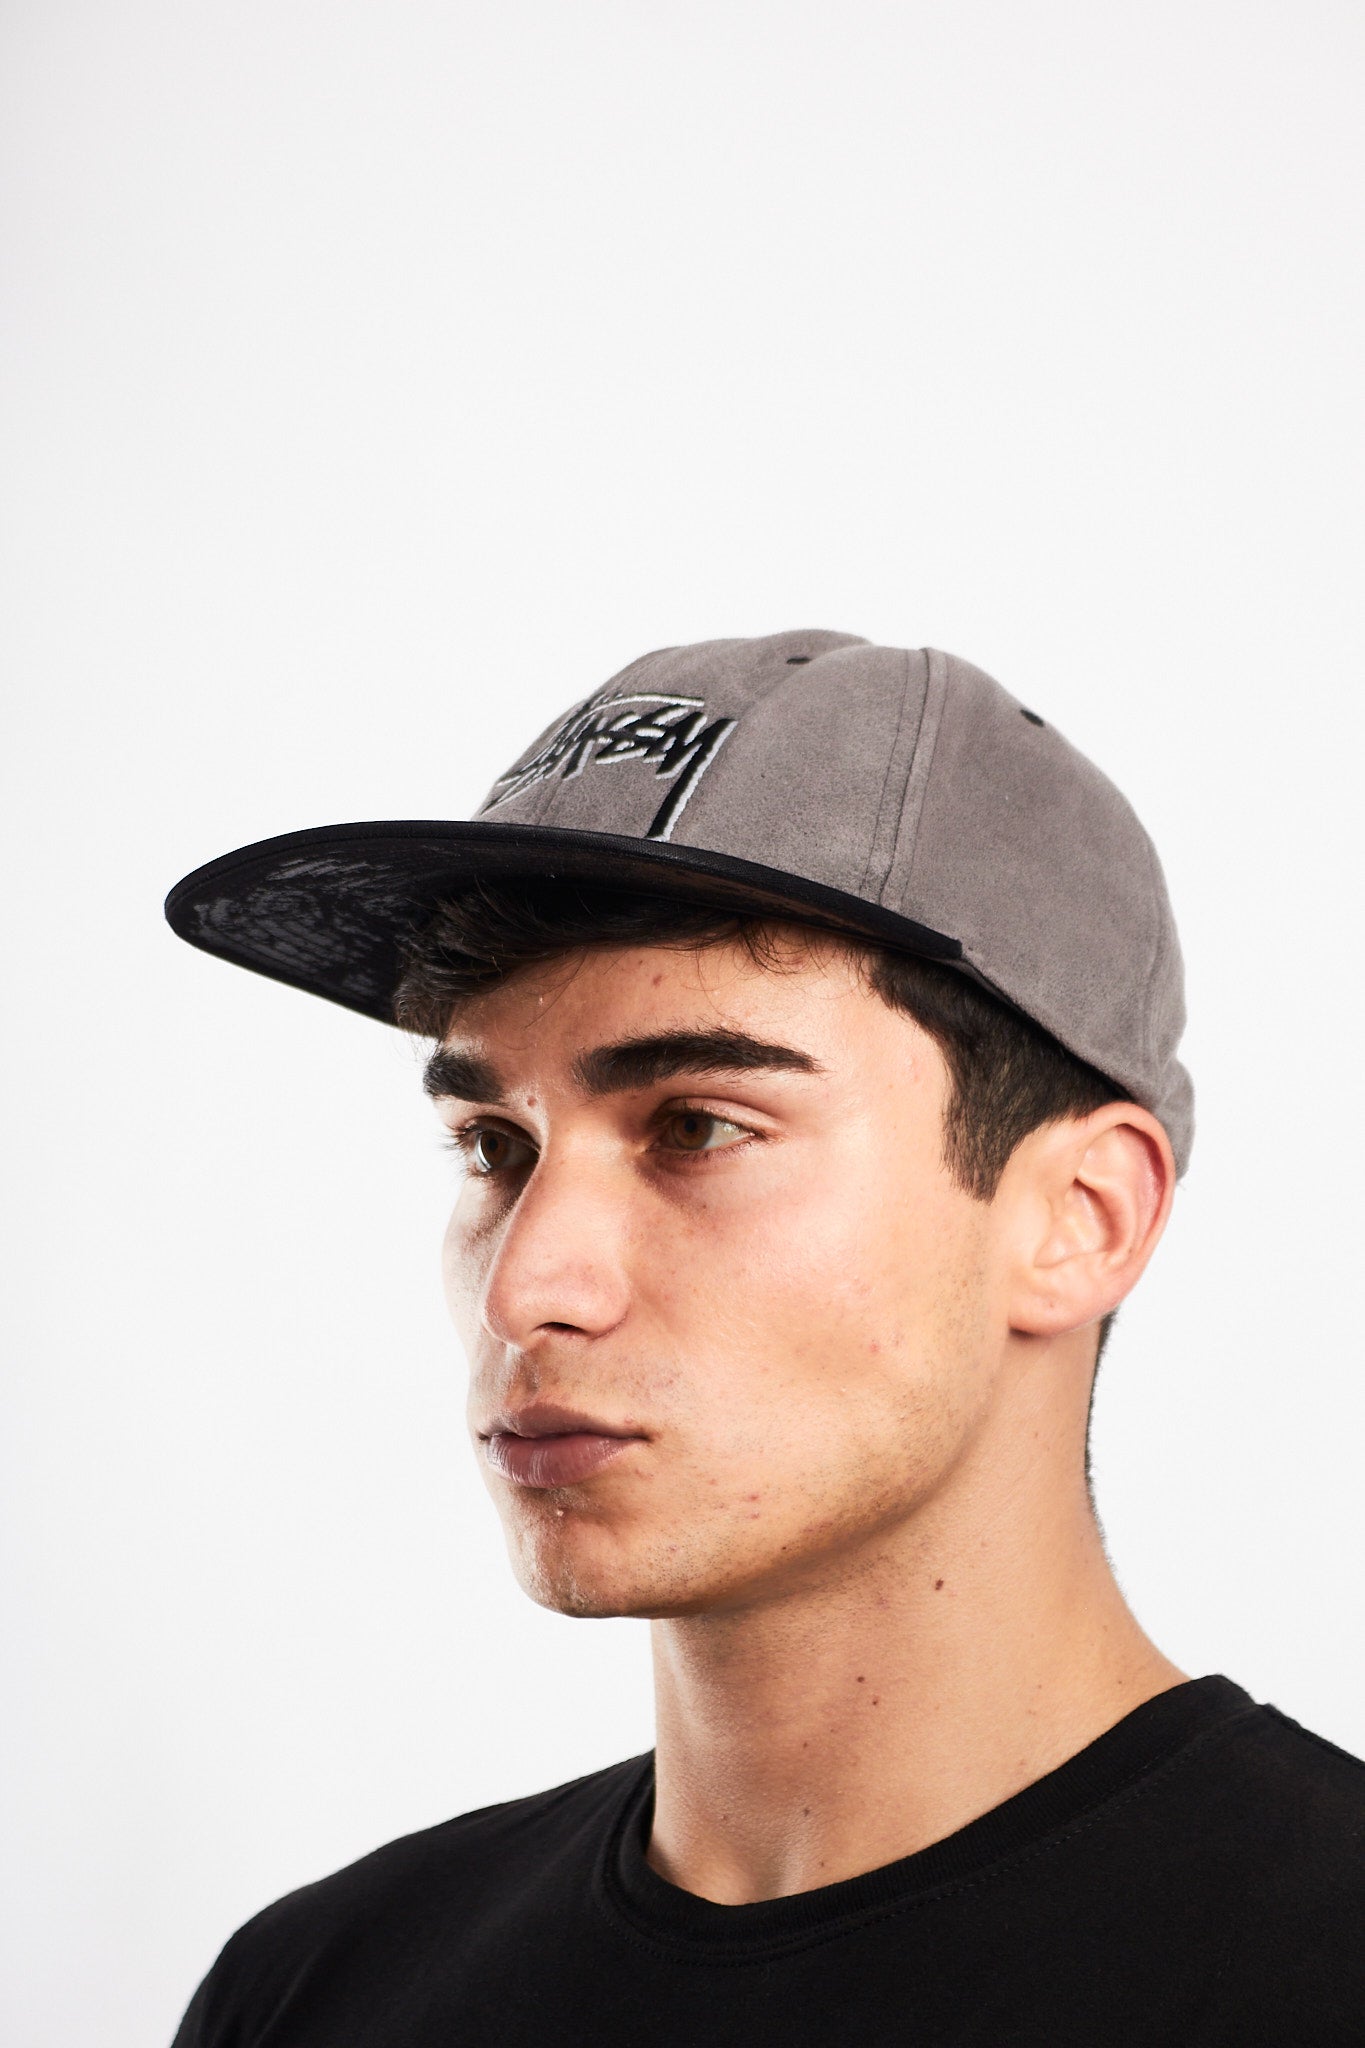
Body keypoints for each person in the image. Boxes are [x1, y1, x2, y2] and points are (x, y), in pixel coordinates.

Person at [165, 631, 1364, 2045]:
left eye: (697, 1128)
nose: (528, 1288)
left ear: (1079, 1219)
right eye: (493, 1146)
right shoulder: (319, 1990)